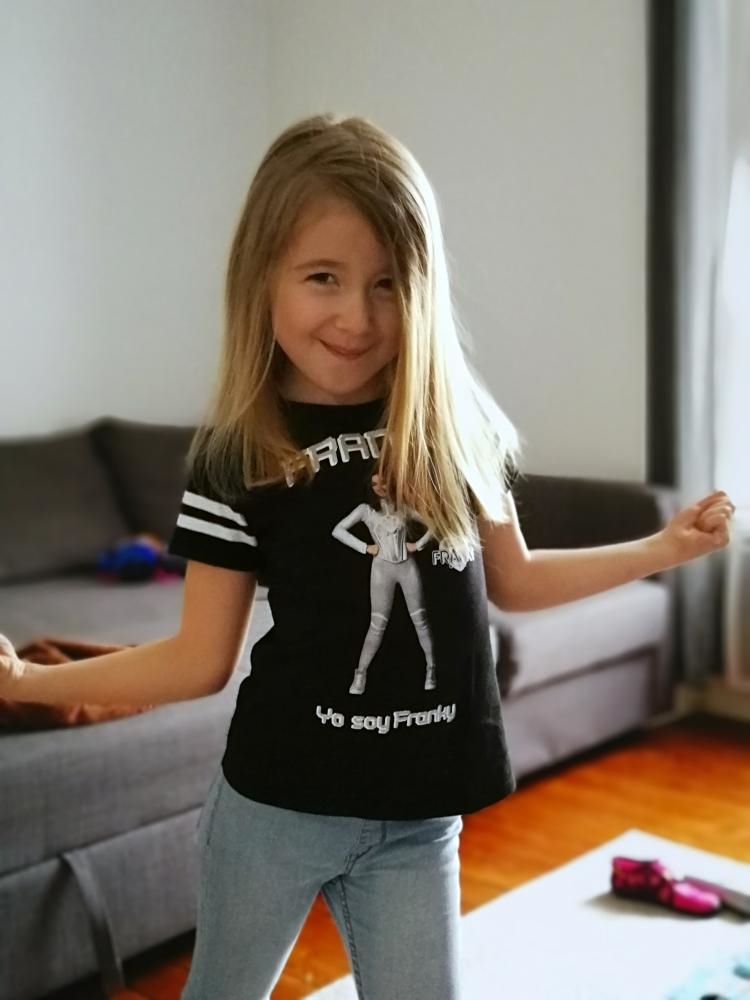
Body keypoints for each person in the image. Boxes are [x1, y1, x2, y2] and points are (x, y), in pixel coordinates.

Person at [0, 112, 736, 1000]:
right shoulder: (239, 455)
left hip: (419, 820)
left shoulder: (455, 429)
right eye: (324, 277)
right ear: (262, 276)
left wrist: (660, 547)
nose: (357, 316)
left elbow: (515, 579)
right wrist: (29, 684)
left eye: (388, 283)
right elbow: (199, 661)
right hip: (276, 812)